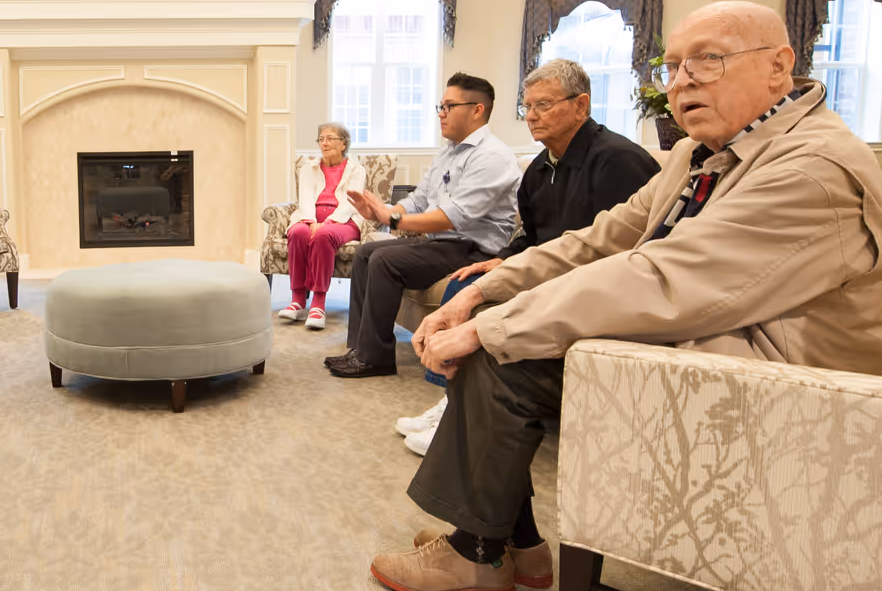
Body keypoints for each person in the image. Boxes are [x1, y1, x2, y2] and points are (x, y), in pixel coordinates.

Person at [369, 1, 882, 591]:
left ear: (780, 65)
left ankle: (478, 553)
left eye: (707, 61)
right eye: (674, 67)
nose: (681, 83)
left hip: (784, 394)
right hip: (706, 342)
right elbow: (600, 239)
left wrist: (491, 326)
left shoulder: (811, 168)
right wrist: (487, 294)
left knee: (504, 353)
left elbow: (662, 276)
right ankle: (510, 545)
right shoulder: (697, 155)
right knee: (502, 335)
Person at [395, 58, 659, 453]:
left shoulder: (617, 161)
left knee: (485, 313)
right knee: (466, 283)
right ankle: (453, 404)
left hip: (595, 283)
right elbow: (531, 237)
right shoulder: (538, 170)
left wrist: (520, 269)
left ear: (581, 105)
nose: (532, 116)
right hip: (546, 270)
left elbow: (617, 248)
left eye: (544, 105)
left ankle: (464, 418)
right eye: (527, 107)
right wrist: (502, 259)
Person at [326, 73, 520, 378]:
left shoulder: (492, 156)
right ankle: (361, 350)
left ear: (477, 109)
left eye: (448, 106)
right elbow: (419, 199)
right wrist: (383, 212)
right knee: (366, 253)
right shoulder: (448, 152)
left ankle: (375, 359)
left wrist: (392, 218)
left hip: (475, 250)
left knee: (384, 260)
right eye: (439, 106)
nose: (440, 114)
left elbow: (452, 216)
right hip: (443, 244)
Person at [277, 121, 366, 331]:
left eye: (330, 139)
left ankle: (318, 304)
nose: (324, 143)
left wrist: (328, 222)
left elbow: (351, 202)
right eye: (321, 139)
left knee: (324, 236)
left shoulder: (356, 169)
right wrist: (310, 221)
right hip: (312, 217)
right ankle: (297, 300)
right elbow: (305, 198)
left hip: (344, 220)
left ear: (343, 144)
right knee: (298, 232)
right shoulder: (309, 167)